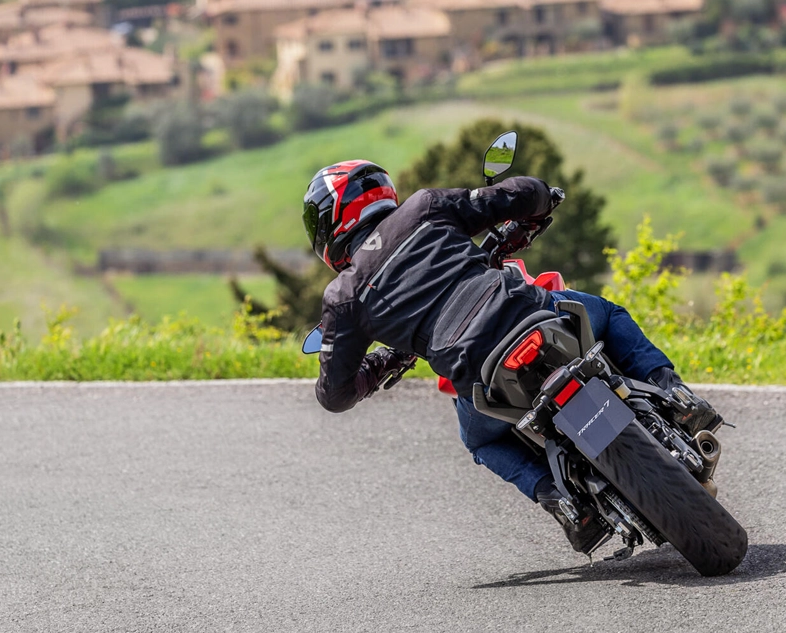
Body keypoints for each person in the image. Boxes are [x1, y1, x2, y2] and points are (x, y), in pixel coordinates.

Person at [303, 160, 721, 554]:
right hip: (533, 315)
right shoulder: (423, 208)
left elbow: (334, 394)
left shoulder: (345, 296)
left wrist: (379, 365)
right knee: (609, 314)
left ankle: (564, 504)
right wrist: (539, 206)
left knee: (479, 440)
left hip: (480, 376)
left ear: (329, 226)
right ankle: (677, 394)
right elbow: (518, 193)